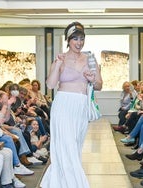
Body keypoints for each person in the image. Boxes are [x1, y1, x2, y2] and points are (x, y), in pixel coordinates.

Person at [40, 21, 103, 188]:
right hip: (62, 106)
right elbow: (51, 85)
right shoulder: (60, 58)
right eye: (75, 39)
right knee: (65, 145)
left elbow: (99, 86)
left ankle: (61, 182)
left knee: (74, 146)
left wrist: (92, 79)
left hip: (80, 106)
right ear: (68, 40)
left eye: (82, 39)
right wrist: (58, 65)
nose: (79, 42)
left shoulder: (90, 59)